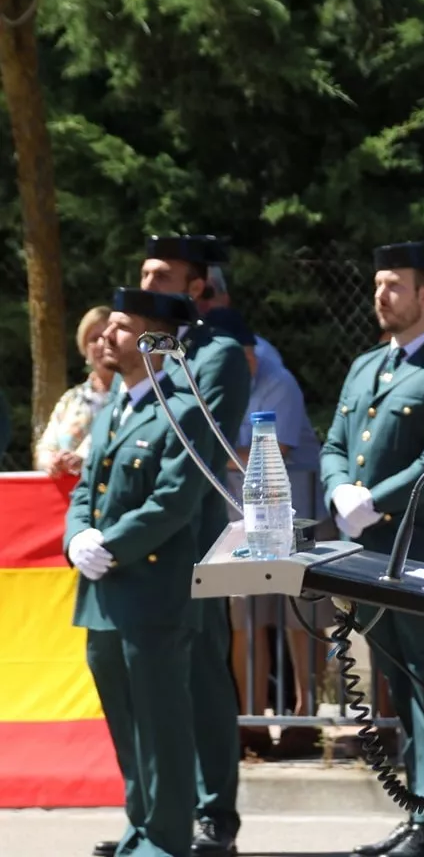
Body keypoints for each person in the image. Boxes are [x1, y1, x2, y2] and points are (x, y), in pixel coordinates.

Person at [320, 239, 424, 857]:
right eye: (377, 284)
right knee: (400, 685)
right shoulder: (363, 366)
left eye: (394, 285)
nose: (381, 295)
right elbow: (332, 445)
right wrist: (336, 490)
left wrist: (373, 498)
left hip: (417, 550)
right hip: (367, 552)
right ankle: (415, 814)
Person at [65, 288, 215, 857]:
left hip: (152, 594)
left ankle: (167, 836)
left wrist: (114, 543)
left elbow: (174, 501)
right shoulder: (118, 408)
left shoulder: (182, 410)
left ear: (156, 343)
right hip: (103, 595)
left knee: (161, 727)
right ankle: (141, 826)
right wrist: (78, 535)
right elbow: (85, 488)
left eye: (122, 328)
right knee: (127, 728)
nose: (106, 335)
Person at [139, 234, 250, 857]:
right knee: (155, 685)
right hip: (145, 541)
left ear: (198, 287)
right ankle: (157, 815)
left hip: (195, 540)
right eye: (146, 274)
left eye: (163, 275)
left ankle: (216, 816)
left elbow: (197, 440)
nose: (149, 285)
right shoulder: (147, 350)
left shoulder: (217, 353)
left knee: (204, 678)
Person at [205, 306, 330, 758]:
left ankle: (304, 718)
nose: (250, 362)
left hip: (300, 516)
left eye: (251, 352)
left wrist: (207, 453)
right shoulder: (209, 386)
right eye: (239, 356)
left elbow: (268, 450)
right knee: (246, 618)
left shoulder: (278, 381)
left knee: (301, 615)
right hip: (244, 521)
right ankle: (252, 721)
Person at [35, 305, 113, 476]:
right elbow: (45, 447)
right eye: (94, 339)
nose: (101, 344)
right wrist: (51, 462)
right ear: (85, 350)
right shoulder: (71, 399)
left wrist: (85, 461)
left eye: (107, 337)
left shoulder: (132, 398)